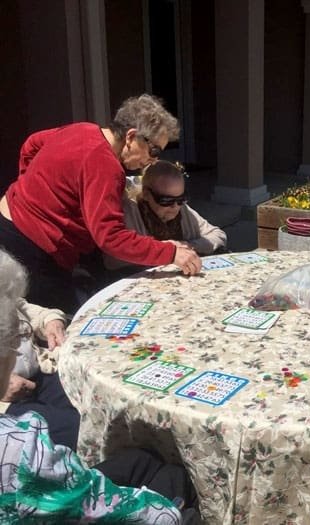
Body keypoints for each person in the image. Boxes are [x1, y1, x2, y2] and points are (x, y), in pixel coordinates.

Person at [0, 248, 198, 522]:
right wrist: (168, 510)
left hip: (40, 380)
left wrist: (49, 319)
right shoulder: (19, 449)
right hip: (71, 496)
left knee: (139, 454)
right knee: (173, 474)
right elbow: (104, 509)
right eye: (15, 336)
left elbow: (21, 306)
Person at [0, 94, 202, 314]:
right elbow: (111, 238)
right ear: (131, 136)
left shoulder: (82, 129)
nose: (153, 160)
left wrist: (27, 186)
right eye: (154, 150)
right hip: (31, 245)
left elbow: (32, 144)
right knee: (62, 321)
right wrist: (171, 253)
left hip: (8, 220)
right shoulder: (105, 166)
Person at [0, 263, 79, 450]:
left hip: (42, 369)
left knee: (94, 409)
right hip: (7, 402)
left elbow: (21, 306)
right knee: (77, 429)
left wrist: (50, 319)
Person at [103, 160, 227, 275]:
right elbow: (112, 260)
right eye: (166, 200)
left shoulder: (183, 210)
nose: (175, 207)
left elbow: (218, 235)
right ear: (146, 194)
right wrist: (164, 250)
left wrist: (188, 246)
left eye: (181, 199)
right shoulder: (130, 212)